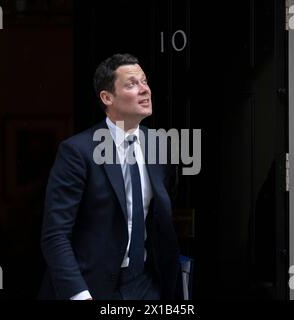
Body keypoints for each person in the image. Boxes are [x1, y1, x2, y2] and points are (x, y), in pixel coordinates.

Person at [39, 53, 182, 300]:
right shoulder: (78, 151)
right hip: (92, 286)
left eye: (144, 81)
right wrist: (79, 294)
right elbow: (55, 235)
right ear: (107, 98)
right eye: (131, 84)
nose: (144, 90)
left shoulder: (160, 146)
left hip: (147, 284)